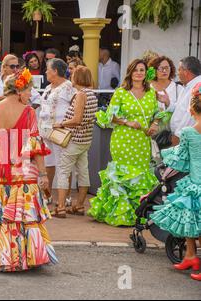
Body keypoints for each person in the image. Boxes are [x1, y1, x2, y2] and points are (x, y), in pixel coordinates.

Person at [0, 69, 58, 272]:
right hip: (23, 172)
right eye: (28, 90)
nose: (30, 95)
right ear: (19, 90)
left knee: (0, 217)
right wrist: (43, 174)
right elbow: (34, 146)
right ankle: (23, 257)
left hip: (0, 170)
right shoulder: (27, 112)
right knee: (22, 216)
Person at [88, 59, 159, 226]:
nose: (139, 73)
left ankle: (139, 211)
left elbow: (158, 113)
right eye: (136, 70)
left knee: (141, 173)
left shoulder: (151, 92)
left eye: (142, 70)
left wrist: (155, 124)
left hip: (142, 140)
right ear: (130, 72)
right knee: (123, 174)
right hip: (123, 139)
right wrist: (127, 122)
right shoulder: (121, 92)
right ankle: (120, 214)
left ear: (145, 73)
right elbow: (109, 116)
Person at [150, 85, 201, 282]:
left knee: (191, 221)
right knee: (192, 222)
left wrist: (165, 155)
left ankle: (192, 256)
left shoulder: (188, 132)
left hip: (195, 182)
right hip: (196, 182)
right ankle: (190, 256)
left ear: (191, 109)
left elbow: (181, 157)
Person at [53, 66, 97, 217]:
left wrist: (61, 124)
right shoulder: (91, 94)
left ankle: (60, 207)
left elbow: (77, 119)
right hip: (85, 140)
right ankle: (79, 206)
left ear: (77, 78)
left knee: (63, 172)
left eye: (72, 75)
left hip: (75, 140)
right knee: (83, 173)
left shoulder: (81, 95)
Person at [38, 58, 76, 213]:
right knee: (48, 164)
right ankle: (47, 195)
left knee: (64, 164)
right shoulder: (48, 88)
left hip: (61, 132)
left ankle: (65, 197)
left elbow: (76, 106)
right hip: (46, 131)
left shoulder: (68, 87)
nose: (46, 72)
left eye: (48, 69)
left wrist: (67, 123)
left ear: (55, 71)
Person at [148, 56, 184, 149]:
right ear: (154, 70)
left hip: (173, 137)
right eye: (161, 68)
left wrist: (168, 103)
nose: (164, 71)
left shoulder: (179, 89)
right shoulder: (147, 89)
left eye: (167, 68)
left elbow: (185, 112)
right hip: (149, 135)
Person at [170, 57, 201, 146]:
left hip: (187, 139)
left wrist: (178, 135)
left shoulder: (197, 87)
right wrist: (168, 103)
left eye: (179, 70)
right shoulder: (189, 85)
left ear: (186, 72)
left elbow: (191, 115)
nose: (177, 73)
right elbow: (181, 107)